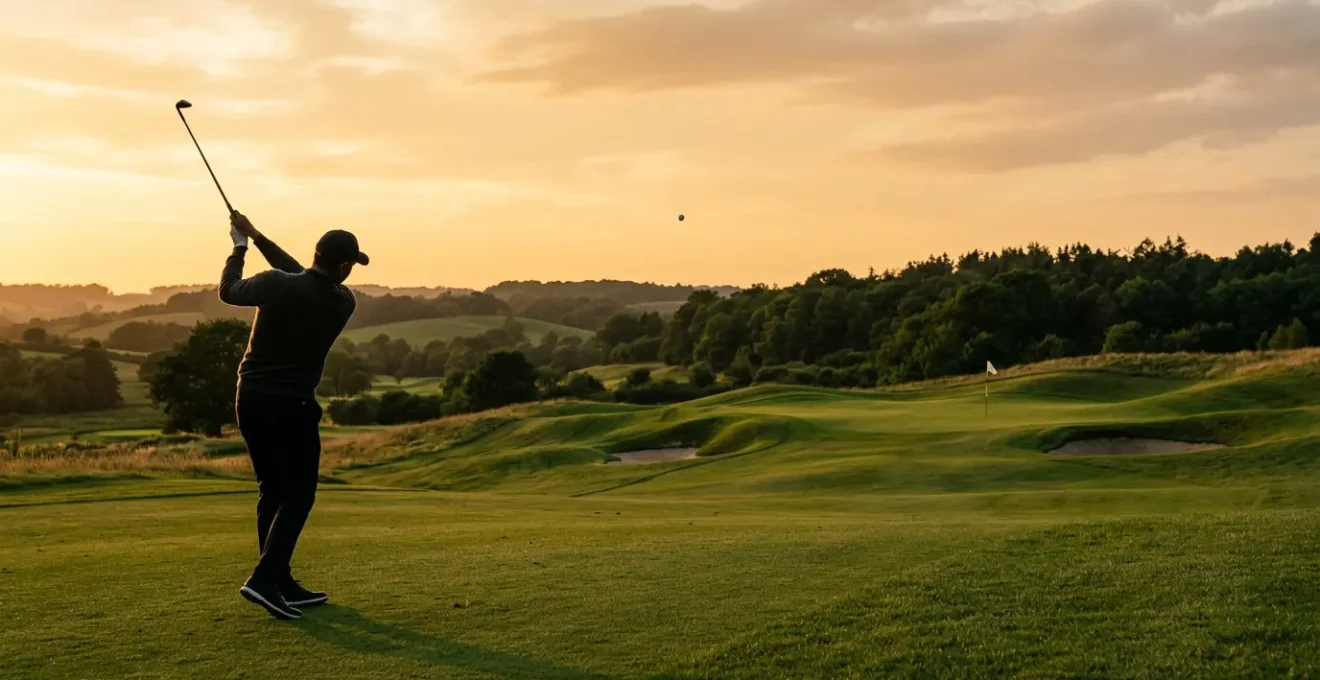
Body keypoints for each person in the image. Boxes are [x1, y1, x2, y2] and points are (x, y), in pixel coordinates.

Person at [219, 211, 368, 620]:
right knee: (299, 493)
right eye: (351, 264)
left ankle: (278, 581)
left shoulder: (275, 286)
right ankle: (265, 578)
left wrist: (241, 245)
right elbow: (302, 277)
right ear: (342, 267)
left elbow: (230, 290)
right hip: (294, 405)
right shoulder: (342, 301)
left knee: (273, 489)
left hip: (249, 398)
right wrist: (258, 236)